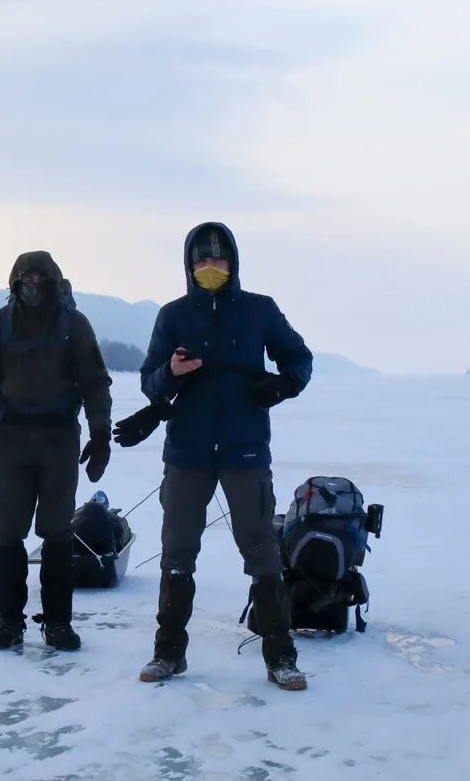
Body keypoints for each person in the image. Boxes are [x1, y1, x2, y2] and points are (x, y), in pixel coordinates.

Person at [123, 222, 313, 690]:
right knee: (177, 552)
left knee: (260, 550)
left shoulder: (259, 311)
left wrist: (282, 384)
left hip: (245, 449)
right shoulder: (172, 315)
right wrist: (170, 370)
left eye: (219, 259)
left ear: (234, 263)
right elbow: (149, 380)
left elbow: (299, 359)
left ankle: (280, 657)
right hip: (187, 451)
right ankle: (168, 653)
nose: (210, 267)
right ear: (189, 266)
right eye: (201, 260)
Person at [0, 251, 113, 652]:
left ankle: (58, 623)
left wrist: (101, 435)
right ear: (14, 283)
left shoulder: (74, 326)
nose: (32, 285)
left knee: (58, 532)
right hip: (10, 441)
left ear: (52, 281)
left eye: (38, 279)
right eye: (24, 279)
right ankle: (8, 621)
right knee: (8, 532)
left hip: (59, 442)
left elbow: (95, 382)